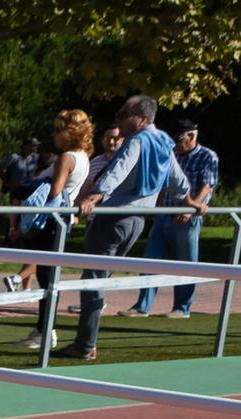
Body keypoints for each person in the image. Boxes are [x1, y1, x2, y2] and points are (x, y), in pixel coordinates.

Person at [72, 96, 192, 361]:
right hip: (137, 222)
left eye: (123, 114)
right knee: (98, 280)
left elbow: (119, 169)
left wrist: (95, 195)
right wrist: (188, 200)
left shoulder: (137, 140)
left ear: (142, 118)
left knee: (93, 281)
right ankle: (86, 340)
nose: (118, 119)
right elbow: (177, 178)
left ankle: (85, 344)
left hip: (114, 218)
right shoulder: (163, 140)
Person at [10, 109, 94, 351]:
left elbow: (55, 191)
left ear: (70, 132)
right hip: (61, 223)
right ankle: (43, 329)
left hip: (50, 223)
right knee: (47, 278)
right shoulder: (84, 157)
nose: (54, 135)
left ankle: (46, 331)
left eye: (58, 130)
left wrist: (33, 185)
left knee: (47, 280)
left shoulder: (67, 157)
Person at [133, 121, 218, 319]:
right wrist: (156, 209)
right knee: (150, 260)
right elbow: (164, 182)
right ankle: (142, 306)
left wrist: (191, 209)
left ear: (191, 136)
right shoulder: (173, 154)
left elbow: (207, 186)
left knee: (186, 264)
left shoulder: (208, 156)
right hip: (164, 214)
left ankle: (182, 308)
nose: (176, 145)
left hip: (187, 218)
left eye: (179, 140)